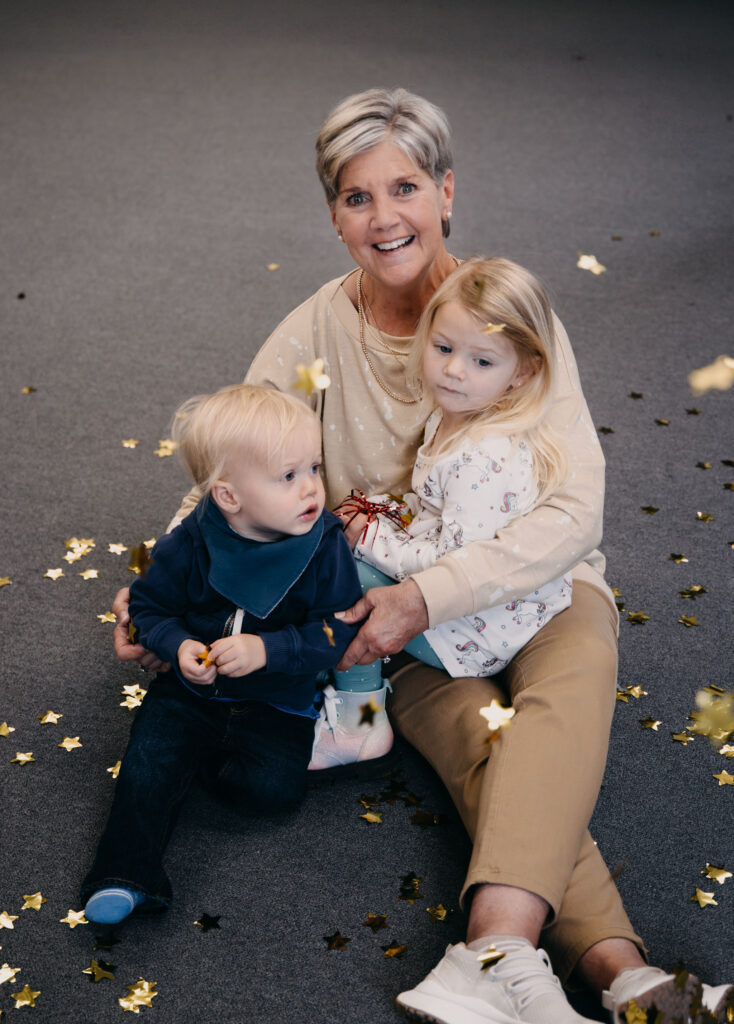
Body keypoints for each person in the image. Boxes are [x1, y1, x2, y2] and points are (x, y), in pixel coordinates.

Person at [109, 89, 732, 1023]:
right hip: (388, 614)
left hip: (536, 584)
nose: (383, 216)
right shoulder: (313, 333)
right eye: (356, 197)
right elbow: (231, 466)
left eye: (404, 187)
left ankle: (496, 953)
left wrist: (436, 593)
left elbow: (576, 506)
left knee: (564, 700)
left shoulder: (504, 312)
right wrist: (161, 580)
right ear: (334, 216)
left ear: (446, 192)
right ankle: (623, 976)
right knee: (497, 752)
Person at [81, 384, 361, 925]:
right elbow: (148, 608)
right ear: (229, 498)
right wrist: (177, 644)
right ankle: (124, 876)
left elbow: (339, 630)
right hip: (189, 693)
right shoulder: (191, 541)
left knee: (272, 792)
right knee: (145, 765)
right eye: (288, 476)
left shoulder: (324, 545)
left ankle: (194, 767)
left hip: (277, 701)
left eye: (314, 468)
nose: (312, 487)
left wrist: (268, 649)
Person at [331, 257, 573, 699]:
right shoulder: (453, 415)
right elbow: (433, 508)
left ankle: (358, 713)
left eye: (481, 361)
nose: (455, 370)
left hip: (477, 631)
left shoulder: (481, 460)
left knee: (343, 574)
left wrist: (369, 540)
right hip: (486, 607)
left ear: (522, 371)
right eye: (443, 349)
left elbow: (451, 569)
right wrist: (379, 513)